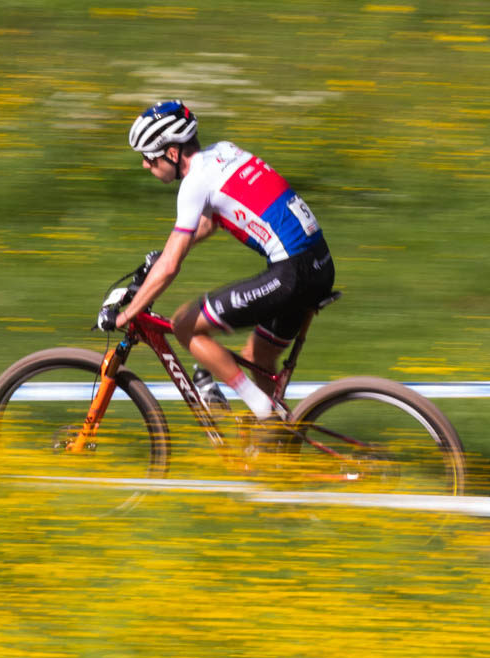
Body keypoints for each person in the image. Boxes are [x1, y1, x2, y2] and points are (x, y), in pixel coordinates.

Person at [104, 100, 336, 421]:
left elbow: (171, 267)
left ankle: (264, 413)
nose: (145, 165)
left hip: (292, 272)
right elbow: (211, 222)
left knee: (184, 325)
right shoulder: (224, 152)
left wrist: (126, 314)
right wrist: (165, 254)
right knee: (257, 355)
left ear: (172, 153)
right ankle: (277, 436)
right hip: (319, 264)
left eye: (149, 157)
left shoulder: (194, 183)